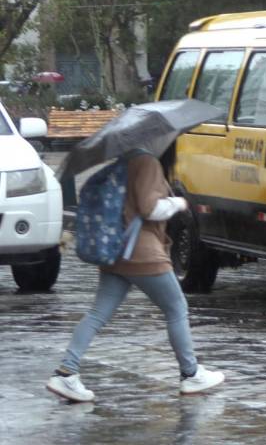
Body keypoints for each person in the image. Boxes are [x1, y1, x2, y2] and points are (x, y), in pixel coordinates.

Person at [46, 151, 225, 403]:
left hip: (116, 253)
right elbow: (150, 208)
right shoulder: (147, 162)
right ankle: (191, 373)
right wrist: (178, 203)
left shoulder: (124, 162)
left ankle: (66, 372)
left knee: (97, 314)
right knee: (176, 308)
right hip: (143, 253)